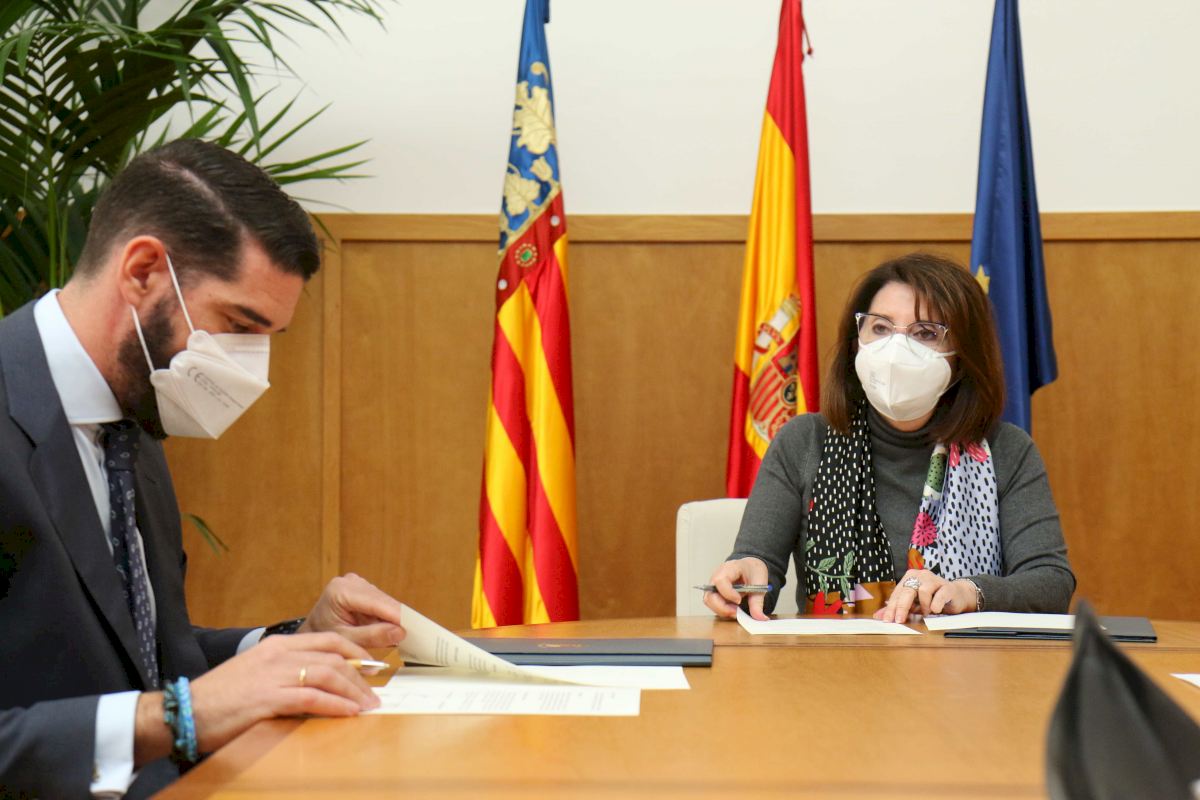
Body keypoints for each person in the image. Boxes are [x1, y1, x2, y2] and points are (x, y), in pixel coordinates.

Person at [0, 139, 409, 798]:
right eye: (237, 324)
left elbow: (125, 654)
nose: (248, 368)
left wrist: (288, 646)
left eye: (265, 339)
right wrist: (177, 717)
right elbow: (156, 704)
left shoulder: (132, 419)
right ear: (142, 271)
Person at [704, 252, 1074, 623]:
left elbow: (1051, 582)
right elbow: (758, 569)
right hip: (831, 657)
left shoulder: (1005, 449)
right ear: (856, 343)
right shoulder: (804, 441)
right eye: (880, 328)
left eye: (925, 333)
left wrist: (969, 593)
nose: (896, 351)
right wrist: (745, 577)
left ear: (962, 358)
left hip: (961, 659)